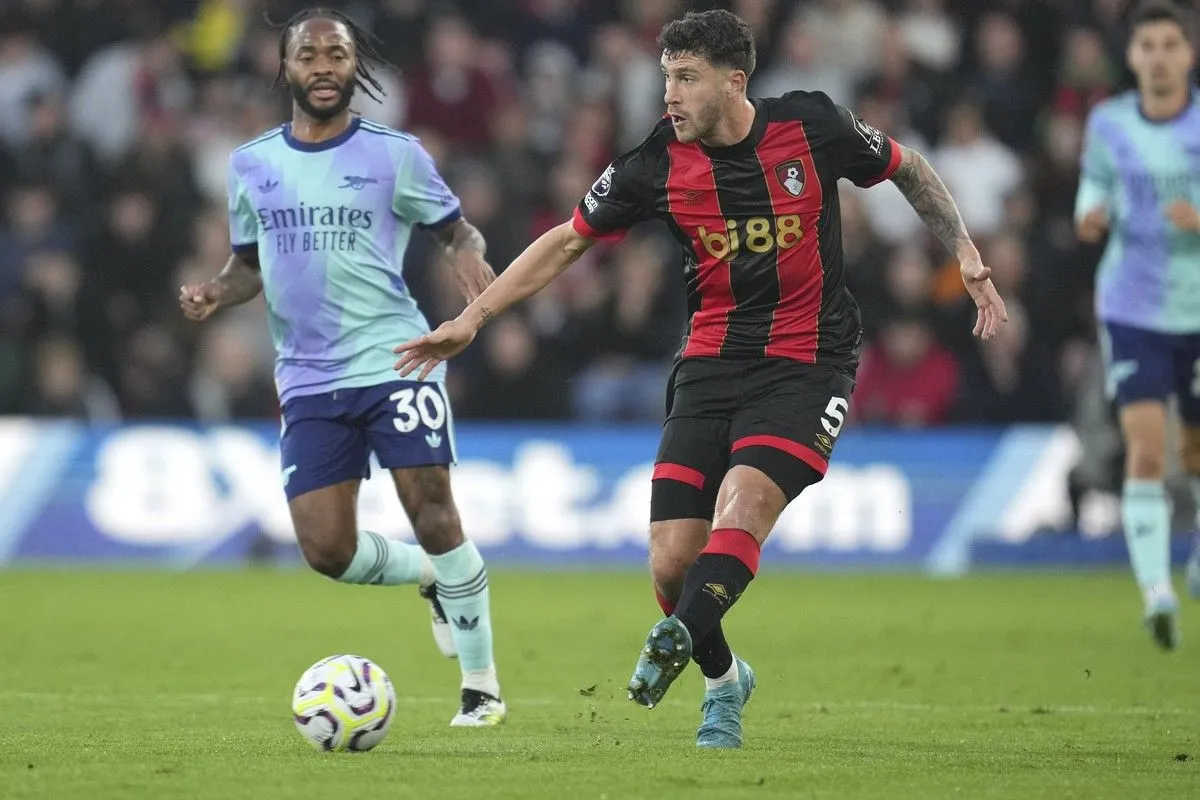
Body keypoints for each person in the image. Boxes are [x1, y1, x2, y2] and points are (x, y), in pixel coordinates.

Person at [395, 9, 1006, 746]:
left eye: (686, 78)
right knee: (670, 562)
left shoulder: (810, 125)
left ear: (734, 82)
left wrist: (964, 251)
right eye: (666, 78)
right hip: (711, 365)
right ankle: (723, 677)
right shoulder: (656, 161)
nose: (670, 95)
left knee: (743, 506)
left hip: (809, 364)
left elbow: (907, 168)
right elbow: (566, 242)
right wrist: (474, 317)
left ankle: (676, 647)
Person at [179, 8, 507, 726]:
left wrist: (466, 256)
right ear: (285, 67)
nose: (324, 66)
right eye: (309, 55)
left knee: (431, 506)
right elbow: (247, 265)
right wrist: (216, 291)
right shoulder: (251, 164)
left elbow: (457, 229)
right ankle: (433, 577)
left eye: (337, 54)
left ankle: (481, 687)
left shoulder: (396, 154)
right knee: (327, 549)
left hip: (396, 357)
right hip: (307, 377)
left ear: (357, 66)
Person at [1076, 0, 1200, 651]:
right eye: (1146, 46)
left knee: (1195, 453)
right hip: (1133, 309)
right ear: (1131, 56)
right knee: (1147, 451)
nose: (1157, 57)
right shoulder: (1109, 123)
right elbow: (1092, 188)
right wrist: (1090, 213)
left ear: (1188, 54)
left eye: (1168, 45)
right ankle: (1157, 593)